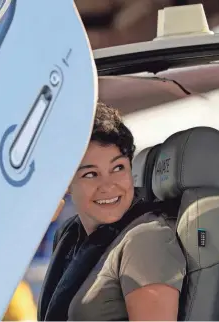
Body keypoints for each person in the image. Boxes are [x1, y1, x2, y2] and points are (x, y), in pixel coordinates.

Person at [37, 102, 186, 321]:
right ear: (67, 182)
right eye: (90, 174)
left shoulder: (145, 240)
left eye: (118, 168)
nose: (108, 186)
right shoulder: (71, 237)